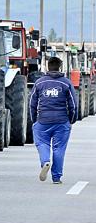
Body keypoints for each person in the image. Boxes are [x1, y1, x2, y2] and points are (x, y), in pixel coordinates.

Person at [29, 56, 78, 184]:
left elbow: (32, 104)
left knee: (42, 144)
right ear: (60, 67)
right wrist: (71, 120)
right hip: (61, 121)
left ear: (47, 66)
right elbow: (73, 104)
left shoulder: (39, 83)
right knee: (59, 148)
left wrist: (34, 120)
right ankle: (56, 177)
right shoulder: (66, 83)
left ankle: (45, 162)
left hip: (43, 120)